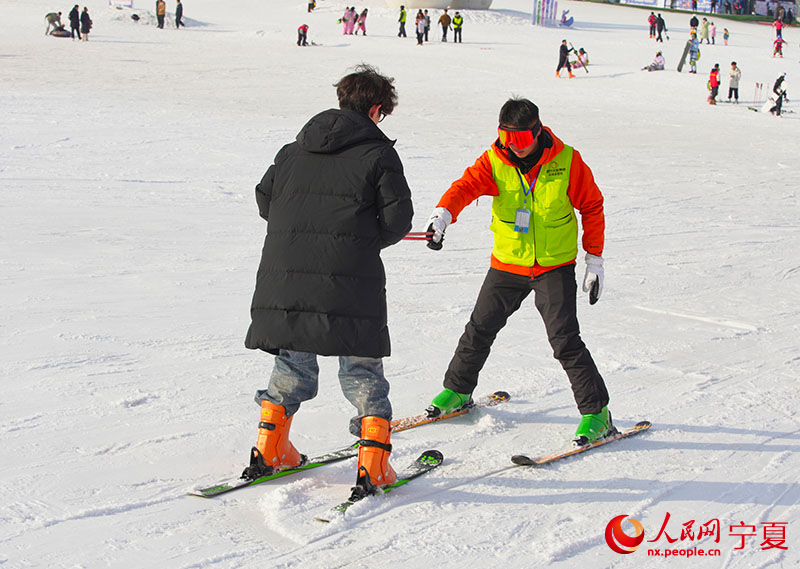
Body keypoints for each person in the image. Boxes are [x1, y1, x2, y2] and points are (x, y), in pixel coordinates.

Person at [243, 64, 414, 496]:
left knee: (291, 358)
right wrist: (356, 240)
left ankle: (270, 446)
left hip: (286, 276)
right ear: (375, 109)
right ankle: (373, 464)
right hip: (349, 279)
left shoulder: (292, 150)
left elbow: (265, 200)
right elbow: (398, 221)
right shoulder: (378, 154)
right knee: (360, 366)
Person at [423, 98, 612, 445]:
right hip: (508, 263)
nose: (514, 147)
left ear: (537, 132)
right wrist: (443, 214)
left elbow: (592, 206)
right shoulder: (495, 159)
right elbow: (465, 187)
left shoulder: (567, 161)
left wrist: (595, 260)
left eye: (521, 139)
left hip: (554, 265)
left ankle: (597, 412)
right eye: (507, 138)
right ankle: (458, 391)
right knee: (479, 328)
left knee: (565, 340)